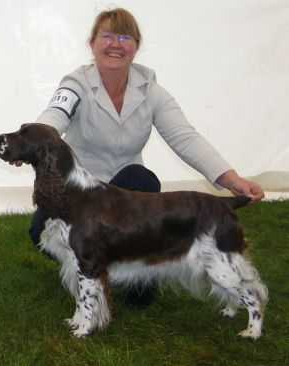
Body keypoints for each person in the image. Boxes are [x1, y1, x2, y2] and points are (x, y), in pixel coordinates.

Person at [22, 8, 263, 306]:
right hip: (83, 193)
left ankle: (134, 267)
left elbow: (185, 137)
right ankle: (93, 266)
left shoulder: (152, 91)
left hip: (127, 187)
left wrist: (232, 179)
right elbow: (53, 118)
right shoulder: (75, 84)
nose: (115, 44)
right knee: (38, 230)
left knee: (141, 178)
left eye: (125, 37)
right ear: (92, 43)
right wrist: (35, 141)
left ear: (136, 46)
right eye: (107, 36)